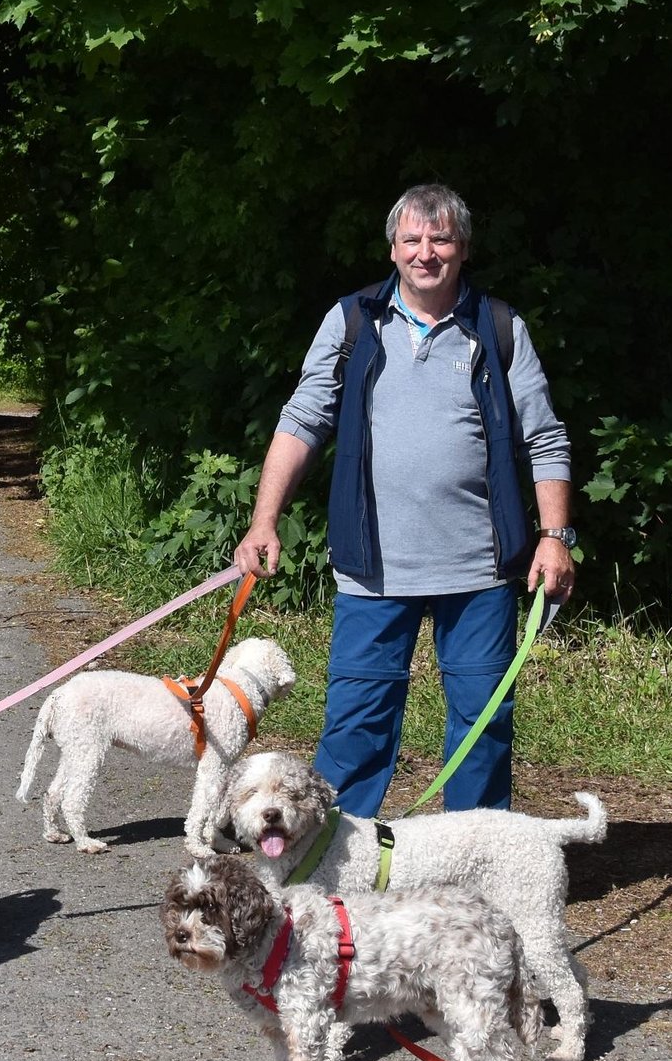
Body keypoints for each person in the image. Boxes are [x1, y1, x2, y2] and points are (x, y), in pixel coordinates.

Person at [233, 183, 575, 816]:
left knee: (481, 732)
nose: (425, 252)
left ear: (463, 248)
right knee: (355, 728)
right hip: (372, 570)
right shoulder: (352, 322)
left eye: (440, 239)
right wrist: (264, 520)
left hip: (479, 572)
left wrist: (554, 538)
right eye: (412, 239)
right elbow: (302, 421)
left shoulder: (498, 328)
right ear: (392, 248)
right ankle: (335, 859)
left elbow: (545, 435)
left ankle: (474, 861)